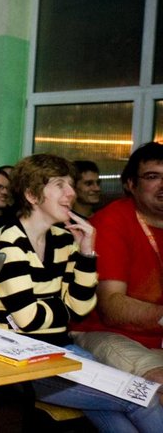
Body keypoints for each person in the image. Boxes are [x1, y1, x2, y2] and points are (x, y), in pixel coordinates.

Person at [0, 153, 163, 432]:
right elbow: (29, 320)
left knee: (123, 411)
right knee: (141, 397)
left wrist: (86, 252)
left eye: (70, 184)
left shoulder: (62, 239)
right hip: (19, 361)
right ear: (32, 195)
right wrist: (64, 307)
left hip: (61, 351)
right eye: (59, 185)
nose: (71, 193)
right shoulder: (8, 241)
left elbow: (80, 308)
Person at [71, 143, 163, 388]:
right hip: (105, 332)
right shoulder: (112, 221)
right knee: (158, 383)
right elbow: (111, 307)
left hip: (157, 338)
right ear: (130, 184)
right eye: (152, 177)